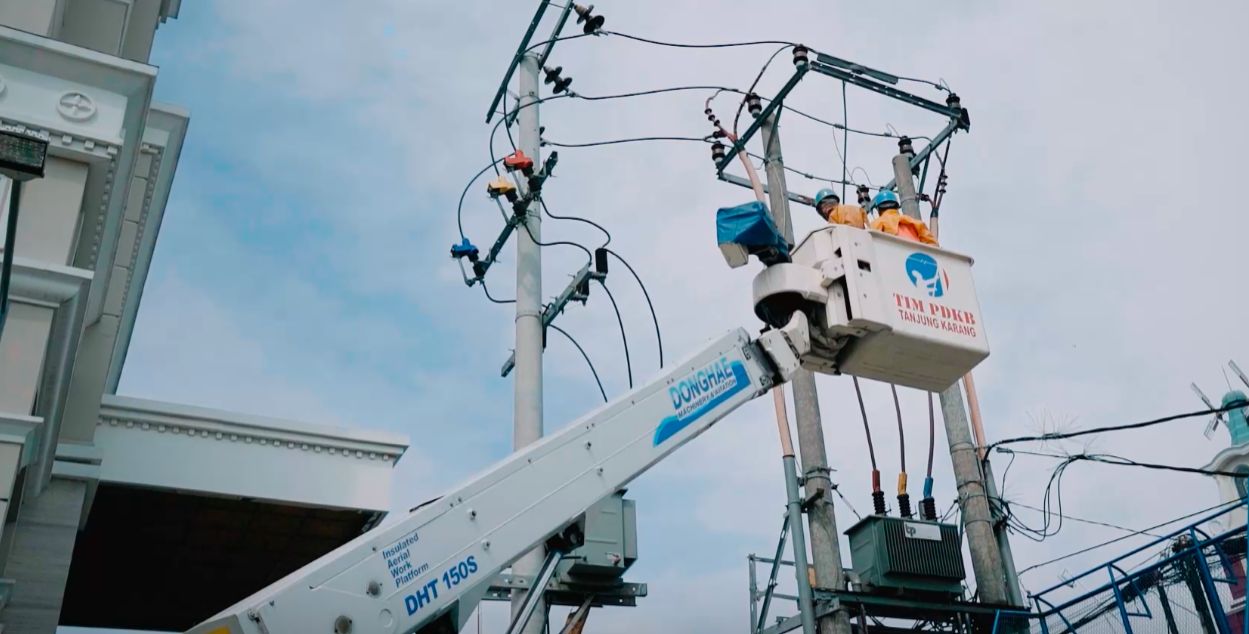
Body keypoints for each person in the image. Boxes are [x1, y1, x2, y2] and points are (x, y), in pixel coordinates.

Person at [869, 190, 937, 245]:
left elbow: (870, 241)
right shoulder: (912, 221)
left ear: (878, 210)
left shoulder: (877, 222)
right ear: (897, 206)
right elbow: (932, 243)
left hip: (893, 256)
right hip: (917, 257)